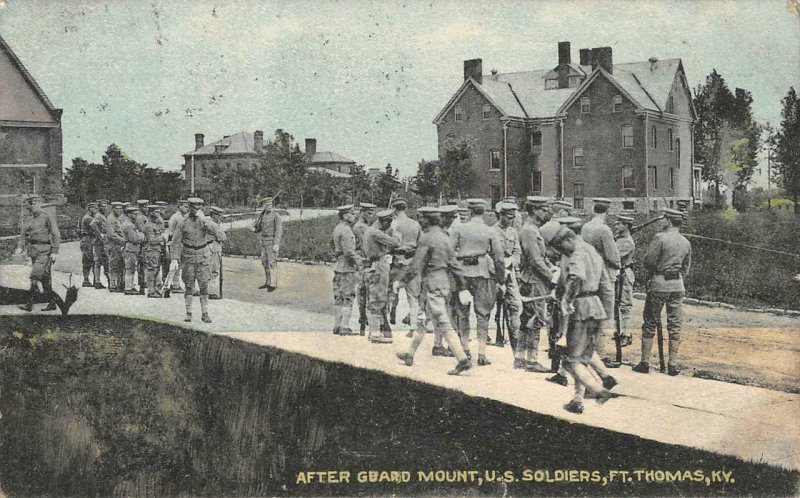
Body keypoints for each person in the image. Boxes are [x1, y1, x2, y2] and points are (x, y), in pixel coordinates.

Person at [549, 226, 617, 414]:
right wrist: (607, 317)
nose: (562, 253)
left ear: (568, 240)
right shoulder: (593, 253)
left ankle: (599, 391)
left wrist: (566, 299)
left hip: (580, 308)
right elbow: (606, 287)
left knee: (570, 361)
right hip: (596, 307)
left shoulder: (578, 254)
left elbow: (577, 277)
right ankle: (577, 399)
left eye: (561, 248)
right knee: (583, 358)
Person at [396, 207, 472, 375]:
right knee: (423, 320)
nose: (419, 221)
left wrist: (401, 281)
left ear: (427, 219)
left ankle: (462, 359)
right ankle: (410, 354)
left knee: (443, 322)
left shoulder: (427, 238)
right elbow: (455, 265)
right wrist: (462, 286)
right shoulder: (445, 237)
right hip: (443, 281)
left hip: (431, 282)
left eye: (421, 218)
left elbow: (416, 265)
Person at [634, 208, 692, 376]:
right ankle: (672, 365)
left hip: (659, 284)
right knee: (675, 325)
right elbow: (686, 269)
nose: (661, 222)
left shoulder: (660, 238)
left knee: (650, 321)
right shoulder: (685, 242)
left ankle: (644, 363)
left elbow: (648, 261)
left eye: (663, 219)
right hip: (677, 285)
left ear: (668, 220)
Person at [449, 198, 505, 365]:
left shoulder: (459, 228)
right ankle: (481, 353)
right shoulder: (490, 231)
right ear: (484, 213)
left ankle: (465, 350)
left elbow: (449, 253)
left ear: (471, 211)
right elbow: (499, 258)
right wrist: (501, 279)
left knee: (462, 313)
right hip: (483, 272)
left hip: (463, 274)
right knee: (483, 314)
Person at [170, 197, 227, 323]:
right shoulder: (183, 222)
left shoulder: (204, 221)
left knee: (204, 285)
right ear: (189, 208)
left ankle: (205, 313)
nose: (196, 210)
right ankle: (188, 312)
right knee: (189, 285)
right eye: (194, 207)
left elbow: (222, 236)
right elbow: (175, 242)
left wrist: (210, 226)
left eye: (199, 207)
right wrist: (174, 259)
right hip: (188, 255)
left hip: (203, 256)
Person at [517, 196, 557, 372]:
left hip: (534, 278)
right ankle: (531, 360)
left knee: (528, 318)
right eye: (543, 209)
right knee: (536, 319)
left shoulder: (534, 229)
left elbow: (542, 257)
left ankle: (520, 359)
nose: (546, 212)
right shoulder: (529, 231)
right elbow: (535, 260)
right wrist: (552, 277)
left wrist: (552, 267)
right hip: (534, 280)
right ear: (534, 210)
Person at [14, 195, 61, 312]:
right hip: (33, 251)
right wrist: (20, 247)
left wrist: (55, 251)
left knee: (34, 276)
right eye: (32, 204)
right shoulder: (29, 220)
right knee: (45, 278)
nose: (34, 206)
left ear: (40, 204)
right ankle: (52, 303)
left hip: (45, 250)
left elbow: (56, 234)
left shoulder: (47, 217)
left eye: (36, 203)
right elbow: (23, 235)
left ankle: (29, 304)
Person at [363, 209, 401, 343]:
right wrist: (395, 232)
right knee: (378, 298)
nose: (390, 225)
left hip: (375, 265)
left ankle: (375, 330)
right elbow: (396, 243)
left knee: (376, 298)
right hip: (379, 266)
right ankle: (375, 333)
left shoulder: (370, 230)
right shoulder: (376, 232)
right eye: (389, 222)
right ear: (385, 221)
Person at [490, 202, 522, 349]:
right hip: (495, 275)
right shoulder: (492, 231)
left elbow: (517, 252)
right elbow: (489, 254)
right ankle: (497, 333)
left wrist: (512, 263)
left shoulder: (513, 232)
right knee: (494, 306)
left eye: (513, 218)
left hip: (510, 274)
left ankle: (515, 336)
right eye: (508, 217)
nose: (511, 221)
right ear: (501, 215)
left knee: (515, 305)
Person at [388, 197, 421, 330]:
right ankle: (413, 326)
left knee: (391, 292)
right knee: (413, 297)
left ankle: (391, 314)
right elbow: (421, 244)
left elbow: (390, 243)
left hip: (396, 261)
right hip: (412, 262)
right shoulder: (415, 224)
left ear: (394, 209)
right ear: (405, 208)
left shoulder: (393, 225)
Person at [332, 205, 362, 335]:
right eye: (352, 213)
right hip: (347, 268)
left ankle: (337, 325)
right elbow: (349, 252)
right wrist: (360, 262)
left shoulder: (338, 228)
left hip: (339, 267)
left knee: (339, 297)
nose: (354, 216)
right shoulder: (346, 231)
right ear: (345, 216)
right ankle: (344, 326)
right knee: (348, 297)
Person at [352, 202, 377, 335]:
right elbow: (365, 244)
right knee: (362, 290)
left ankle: (365, 319)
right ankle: (363, 318)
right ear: (362, 212)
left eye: (372, 213)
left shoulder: (367, 226)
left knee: (368, 291)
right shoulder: (360, 227)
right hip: (363, 261)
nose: (370, 215)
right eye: (368, 213)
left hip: (366, 261)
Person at [614, 213, 636, 346]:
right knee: (617, 304)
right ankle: (620, 332)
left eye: (620, 223)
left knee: (624, 305)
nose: (616, 225)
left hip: (624, 274)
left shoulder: (627, 242)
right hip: (618, 274)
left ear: (626, 226)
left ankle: (627, 334)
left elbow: (615, 256)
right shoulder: (620, 238)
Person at [252, 196, 283, 291]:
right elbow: (259, 229)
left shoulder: (275, 216)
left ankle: (273, 284)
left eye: (270, 204)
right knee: (264, 262)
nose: (269, 206)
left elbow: (279, 230)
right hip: (263, 242)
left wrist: (276, 243)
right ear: (264, 206)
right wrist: (254, 228)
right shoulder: (262, 216)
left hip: (271, 241)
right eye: (267, 205)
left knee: (272, 262)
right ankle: (268, 282)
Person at [143, 204, 166, 297]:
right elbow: (152, 240)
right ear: (151, 213)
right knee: (152, 270)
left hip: (156, 250)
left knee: (156, 270)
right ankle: (151, 290)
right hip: (151, 250)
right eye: (156, 212)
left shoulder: (155, 224)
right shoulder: (149, 226)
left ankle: (155, 289)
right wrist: (162, 237)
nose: (158, 213)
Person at [166, 199, 189, 293]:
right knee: (175, 265)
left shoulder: (181, 216)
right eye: (185, 206)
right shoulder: (177, 217)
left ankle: (175, 284)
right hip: (176, 243)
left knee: (179, 266)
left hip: (180, 243)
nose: (187, 208)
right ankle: (169, 285)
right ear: (179, 206)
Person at [121, 205, 145, 295]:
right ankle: (128, 288)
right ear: (129, 214)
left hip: (131, 248)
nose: (136, 215)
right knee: (130, 268)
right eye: (134, 214)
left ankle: (130, 286)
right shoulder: (129, 225)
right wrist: (141, 235)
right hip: (131, 248)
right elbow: (134, 239)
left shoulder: (128, 224)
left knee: (131, 268)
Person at [106, 201, 127, 292]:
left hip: (121, 245)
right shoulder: (110, 219)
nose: (119, 210)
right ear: (113, 208)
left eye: (121, 208)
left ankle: (120, 284)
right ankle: (113, 285)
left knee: (121, 265)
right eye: (117, 208)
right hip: (114, 245)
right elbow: (112, 235)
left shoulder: (121, 219)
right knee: (114, 265)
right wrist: (123, 241)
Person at [89, 199, 109, 289]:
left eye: (105, 206)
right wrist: (99, 234)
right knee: (98, 262)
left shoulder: (103, 216)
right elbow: (92, 224)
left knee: (103, 261)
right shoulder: (98, 216)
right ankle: (97, 281)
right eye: (102, 206)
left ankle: (99, 281)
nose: (104, 208)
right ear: (99, 207)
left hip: (103, 242)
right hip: (99, 242)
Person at [207, 206, 226, 299]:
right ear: (213, 215)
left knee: (209, 270)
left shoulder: (209, 222)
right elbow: (222, 237)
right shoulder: (213, 224)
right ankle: (211, 291)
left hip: (211, 247)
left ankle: (208, 290)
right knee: (214, 271)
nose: (220, 217)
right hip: (214, 247)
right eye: (218, 215)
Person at [79, 202, 98, 287]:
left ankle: (90, 279)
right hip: (87, 240)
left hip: (88, 239)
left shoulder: (88, 217)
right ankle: (86, 279)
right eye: (94, 208)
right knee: (88, 260)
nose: (96, 210)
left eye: (96, 208)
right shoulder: (88, 218)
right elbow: (95, 229)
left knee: (90, 260)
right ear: (90, 208)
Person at [134, 199, 150, 294]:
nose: (146, 208)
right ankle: (143, 284)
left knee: (144, 264)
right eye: (144, 207)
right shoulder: (140, 218)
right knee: (143, 264)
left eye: (147, 206)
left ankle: (144, 283)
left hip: (145, 242)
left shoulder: (144, 216)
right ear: (140, 207)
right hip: (143, 243)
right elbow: (143, 229)